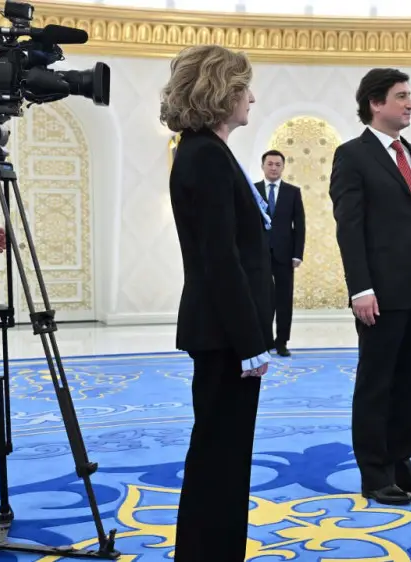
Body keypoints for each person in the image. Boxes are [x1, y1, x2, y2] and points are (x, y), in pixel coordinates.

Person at [161, 45, 274, 559]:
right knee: (219, 457)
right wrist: (251, 343)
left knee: (222, 454)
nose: (252, 97)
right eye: (244, 87)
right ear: (221, 91)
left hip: (222, 330)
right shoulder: (204, 154)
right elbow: (220, 258)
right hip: (224, 334)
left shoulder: (206, 149)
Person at [329, 68, 411, 506]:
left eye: (409, 96)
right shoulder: (352, 155)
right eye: (401, 96)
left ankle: (402, 463)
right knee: (377, 383)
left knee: (409, 382)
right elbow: (349, 228)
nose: (410, 104)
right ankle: (375, 472)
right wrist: (360, 288)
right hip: (379, 294)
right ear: (375, 103)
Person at [255, 149, 306, 357]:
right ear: (263, 166)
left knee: (284, 299)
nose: (274, 168)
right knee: (262, 298)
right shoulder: (253, 190)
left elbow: (299, 225)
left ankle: (282, 341)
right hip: (259, 254)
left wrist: (297, 254)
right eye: (270, 164)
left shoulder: (292, 192)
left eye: (278, 164)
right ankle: (264, 339)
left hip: (285, 255)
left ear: (283, 167)